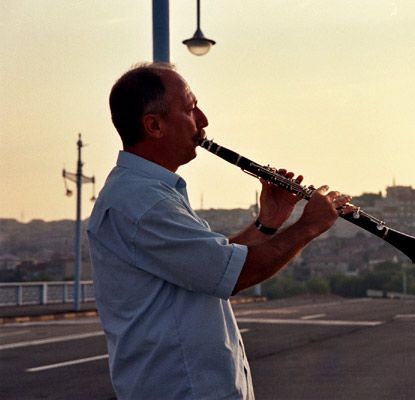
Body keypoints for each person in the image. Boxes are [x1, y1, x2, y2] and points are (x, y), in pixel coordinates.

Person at [86, 62, 352, 400]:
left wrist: (268, 222)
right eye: (189, 108)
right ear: (153, 125)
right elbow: (233, 274)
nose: (203, 120)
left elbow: (211, 263)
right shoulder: (142, 203)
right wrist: (309, 226)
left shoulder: (149, 194)